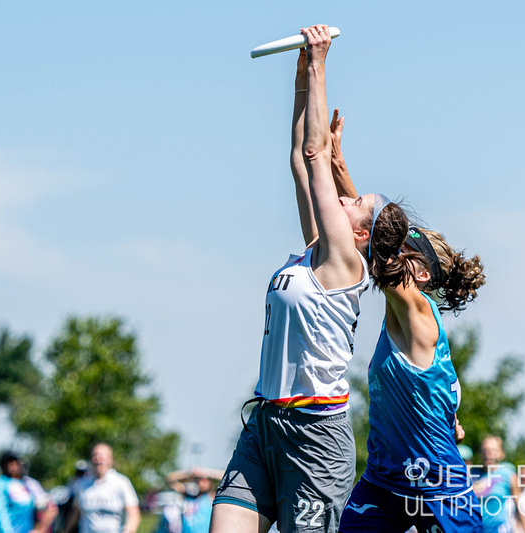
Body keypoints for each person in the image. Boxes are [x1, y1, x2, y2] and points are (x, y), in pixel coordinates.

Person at [210, 24, 410, 533]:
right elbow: (301, 163)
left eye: (354, 203)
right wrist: (301, 80)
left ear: (361, 235)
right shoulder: (314, 253)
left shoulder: (345, 263)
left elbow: (319, 157)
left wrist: (320, 62)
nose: (344, 197)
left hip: (315, 437)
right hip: (265, 424)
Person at [325, 98, 485, 533]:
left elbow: (368, 232)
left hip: (437, 482)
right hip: (386, 480)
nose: (391, 250)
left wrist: (339, 180)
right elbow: (365, 229)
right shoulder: (402, 307)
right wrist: (339, 165)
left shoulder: (416, 308)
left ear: (420, 269)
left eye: (403, 249)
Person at [68, 443, 140, 533]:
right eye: (95, 455)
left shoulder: (122, 482)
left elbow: (134, 515)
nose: (99, 459)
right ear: (91, 459)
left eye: (103, 456)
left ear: (110, 459)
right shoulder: (82, 485)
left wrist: (128, 530)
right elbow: (76, 512)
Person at [472, 436, 525, 533]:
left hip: (499, 529)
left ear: (502, 454)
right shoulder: (472, 474)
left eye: (493, 451)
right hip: (475, 529)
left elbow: (520, 507)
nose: (488, 454)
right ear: (480, 453)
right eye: (485, 450)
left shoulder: (509, 475)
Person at [0, 452, 56, 533]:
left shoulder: (27, 483)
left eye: (14, 462)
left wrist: (41, 529)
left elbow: (49, 507)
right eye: (8, 463)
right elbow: (1, 514)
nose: (12, 465)